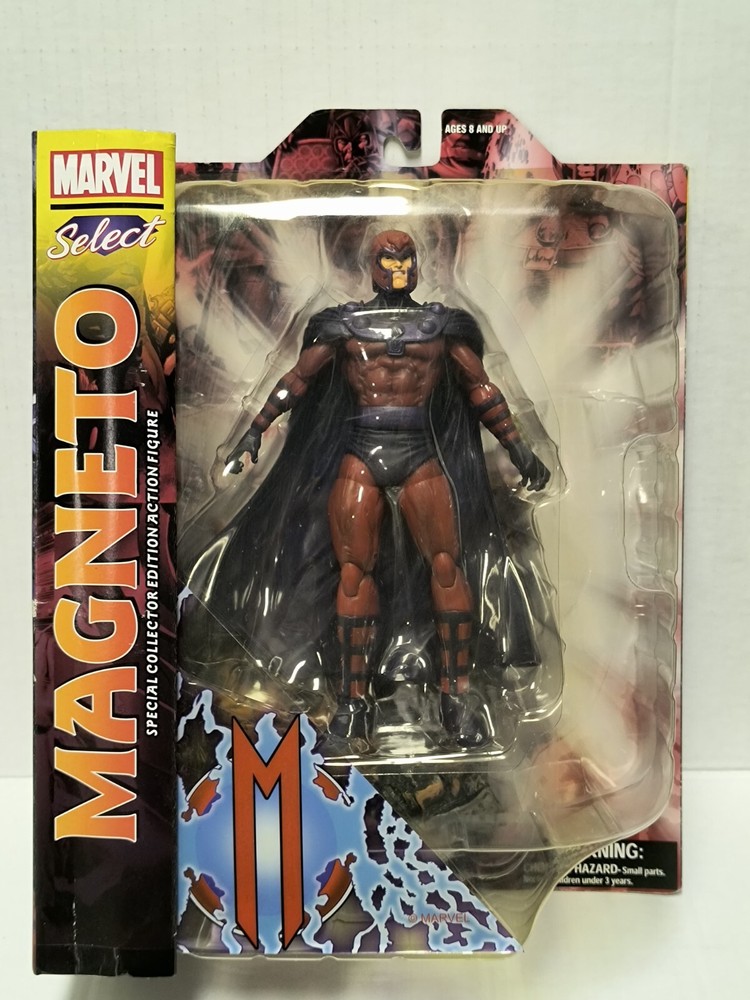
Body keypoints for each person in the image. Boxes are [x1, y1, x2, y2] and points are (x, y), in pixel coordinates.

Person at [219, 231, 550, 749]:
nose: (398, 269)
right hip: (361, 451)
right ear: (371, 265)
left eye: (405, 259)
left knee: (447, 567)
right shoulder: (344, 324)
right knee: (353, 575)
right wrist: (254, 431)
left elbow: (481, 389)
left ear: (417, 264)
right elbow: (297, 380)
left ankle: (455, 695)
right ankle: (353, 702)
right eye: (388, 260)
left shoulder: (441, 325)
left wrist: (519, 448)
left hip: (421, 451)